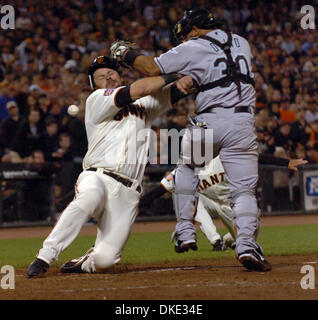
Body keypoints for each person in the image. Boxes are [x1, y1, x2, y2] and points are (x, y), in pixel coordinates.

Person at [110, 8, 291, 271]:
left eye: (185, 34)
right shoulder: (242, 42)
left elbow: (150, 67)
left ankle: (185, 230)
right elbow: (214, 73)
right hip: (242, 124)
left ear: (194, 30)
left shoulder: (194, 46)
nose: (183, 39)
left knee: (187, 169)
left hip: (209, 121)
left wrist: (123, 53)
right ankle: (246, 245)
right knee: (243, 190)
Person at [26, 55, 192, 278]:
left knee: (105, 261)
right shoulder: (97, 99)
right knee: (89, 198)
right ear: (95, 85)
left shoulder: (145, 105)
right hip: (98, 175)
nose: (108, 77)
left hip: (129, 190)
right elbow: (140, 89)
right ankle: (45, 256)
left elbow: (177, 90)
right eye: (102, 76)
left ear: (120, 76)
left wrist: (188, 75)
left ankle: (84, 263)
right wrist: (172, 73)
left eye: (112, 72)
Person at [140, 154, 307, 252]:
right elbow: (161, 188)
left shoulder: (225, 156)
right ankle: (203, 239)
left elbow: (256, 156)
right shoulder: (188, 168)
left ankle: (229, 239)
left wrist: (286, 163)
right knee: (185, 195)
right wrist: (138, 205)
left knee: (249, 245)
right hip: (208, 201)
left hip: (232, 206)